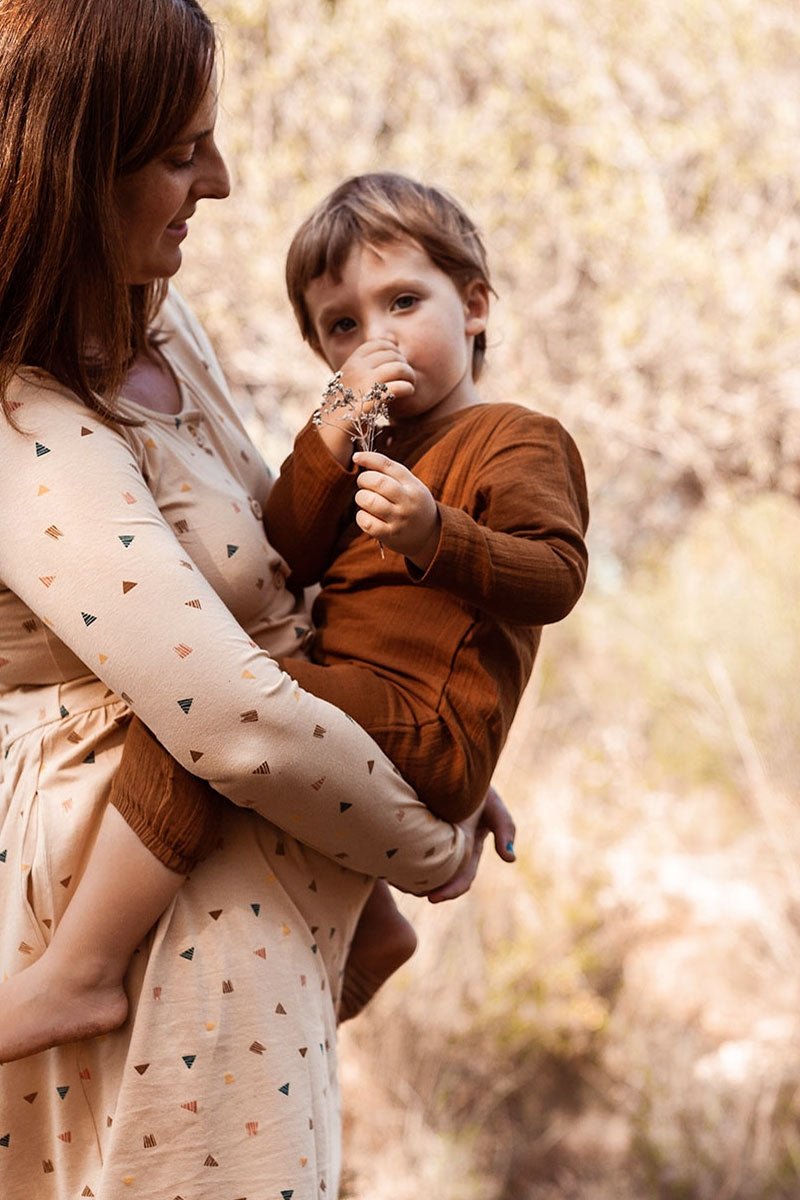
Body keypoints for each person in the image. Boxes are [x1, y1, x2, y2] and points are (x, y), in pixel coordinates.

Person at [0, 4, 504, 1197]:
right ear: (71, 167)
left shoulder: (150, 313)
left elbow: (280, 572)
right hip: (161, 926)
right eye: (181, 153)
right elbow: (227, 714)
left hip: (263, 908)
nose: (219, 182)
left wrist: (418, 719)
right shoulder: (23, 415)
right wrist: (425, 835)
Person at [2, 169, 589, 1047]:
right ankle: (378, 926)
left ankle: (82, 971)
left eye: (402, 302)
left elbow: (556, 575)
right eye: (342, 326)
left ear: (473, 305)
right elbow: (290, 550)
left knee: (194, 709)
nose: (376, 339)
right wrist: (328, 429)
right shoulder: (367, 442)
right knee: (244, 693)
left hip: (425, 720)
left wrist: (440, 535)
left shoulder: (518, 438)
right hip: (374, 693)